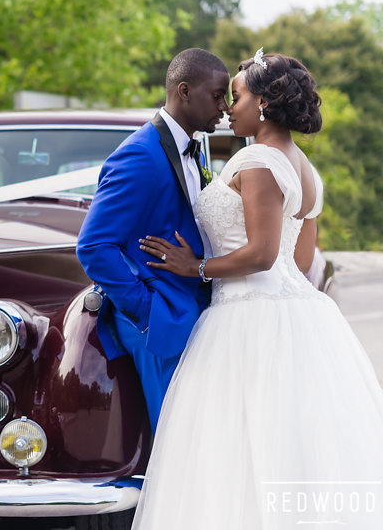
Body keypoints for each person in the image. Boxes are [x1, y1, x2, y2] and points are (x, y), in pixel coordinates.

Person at [132, 49, 383, 528]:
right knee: (290, 444)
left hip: (245, 317)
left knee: (233, 447)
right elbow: (301, 260)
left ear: (265, 104)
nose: (229, 108)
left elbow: (264, 254)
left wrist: (196, 266)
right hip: (299, 314)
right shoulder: (306, 169)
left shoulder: (259, 159)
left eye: (239, 97)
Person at [76, 48, 229, 432]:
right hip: (161, 323)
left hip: (193, 314)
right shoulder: (140, 155)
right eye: (217, 95)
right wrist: (146, 311)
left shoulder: (189, 151)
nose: (225, 107)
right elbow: (93, 246)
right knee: (173, 441)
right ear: (184, 91)